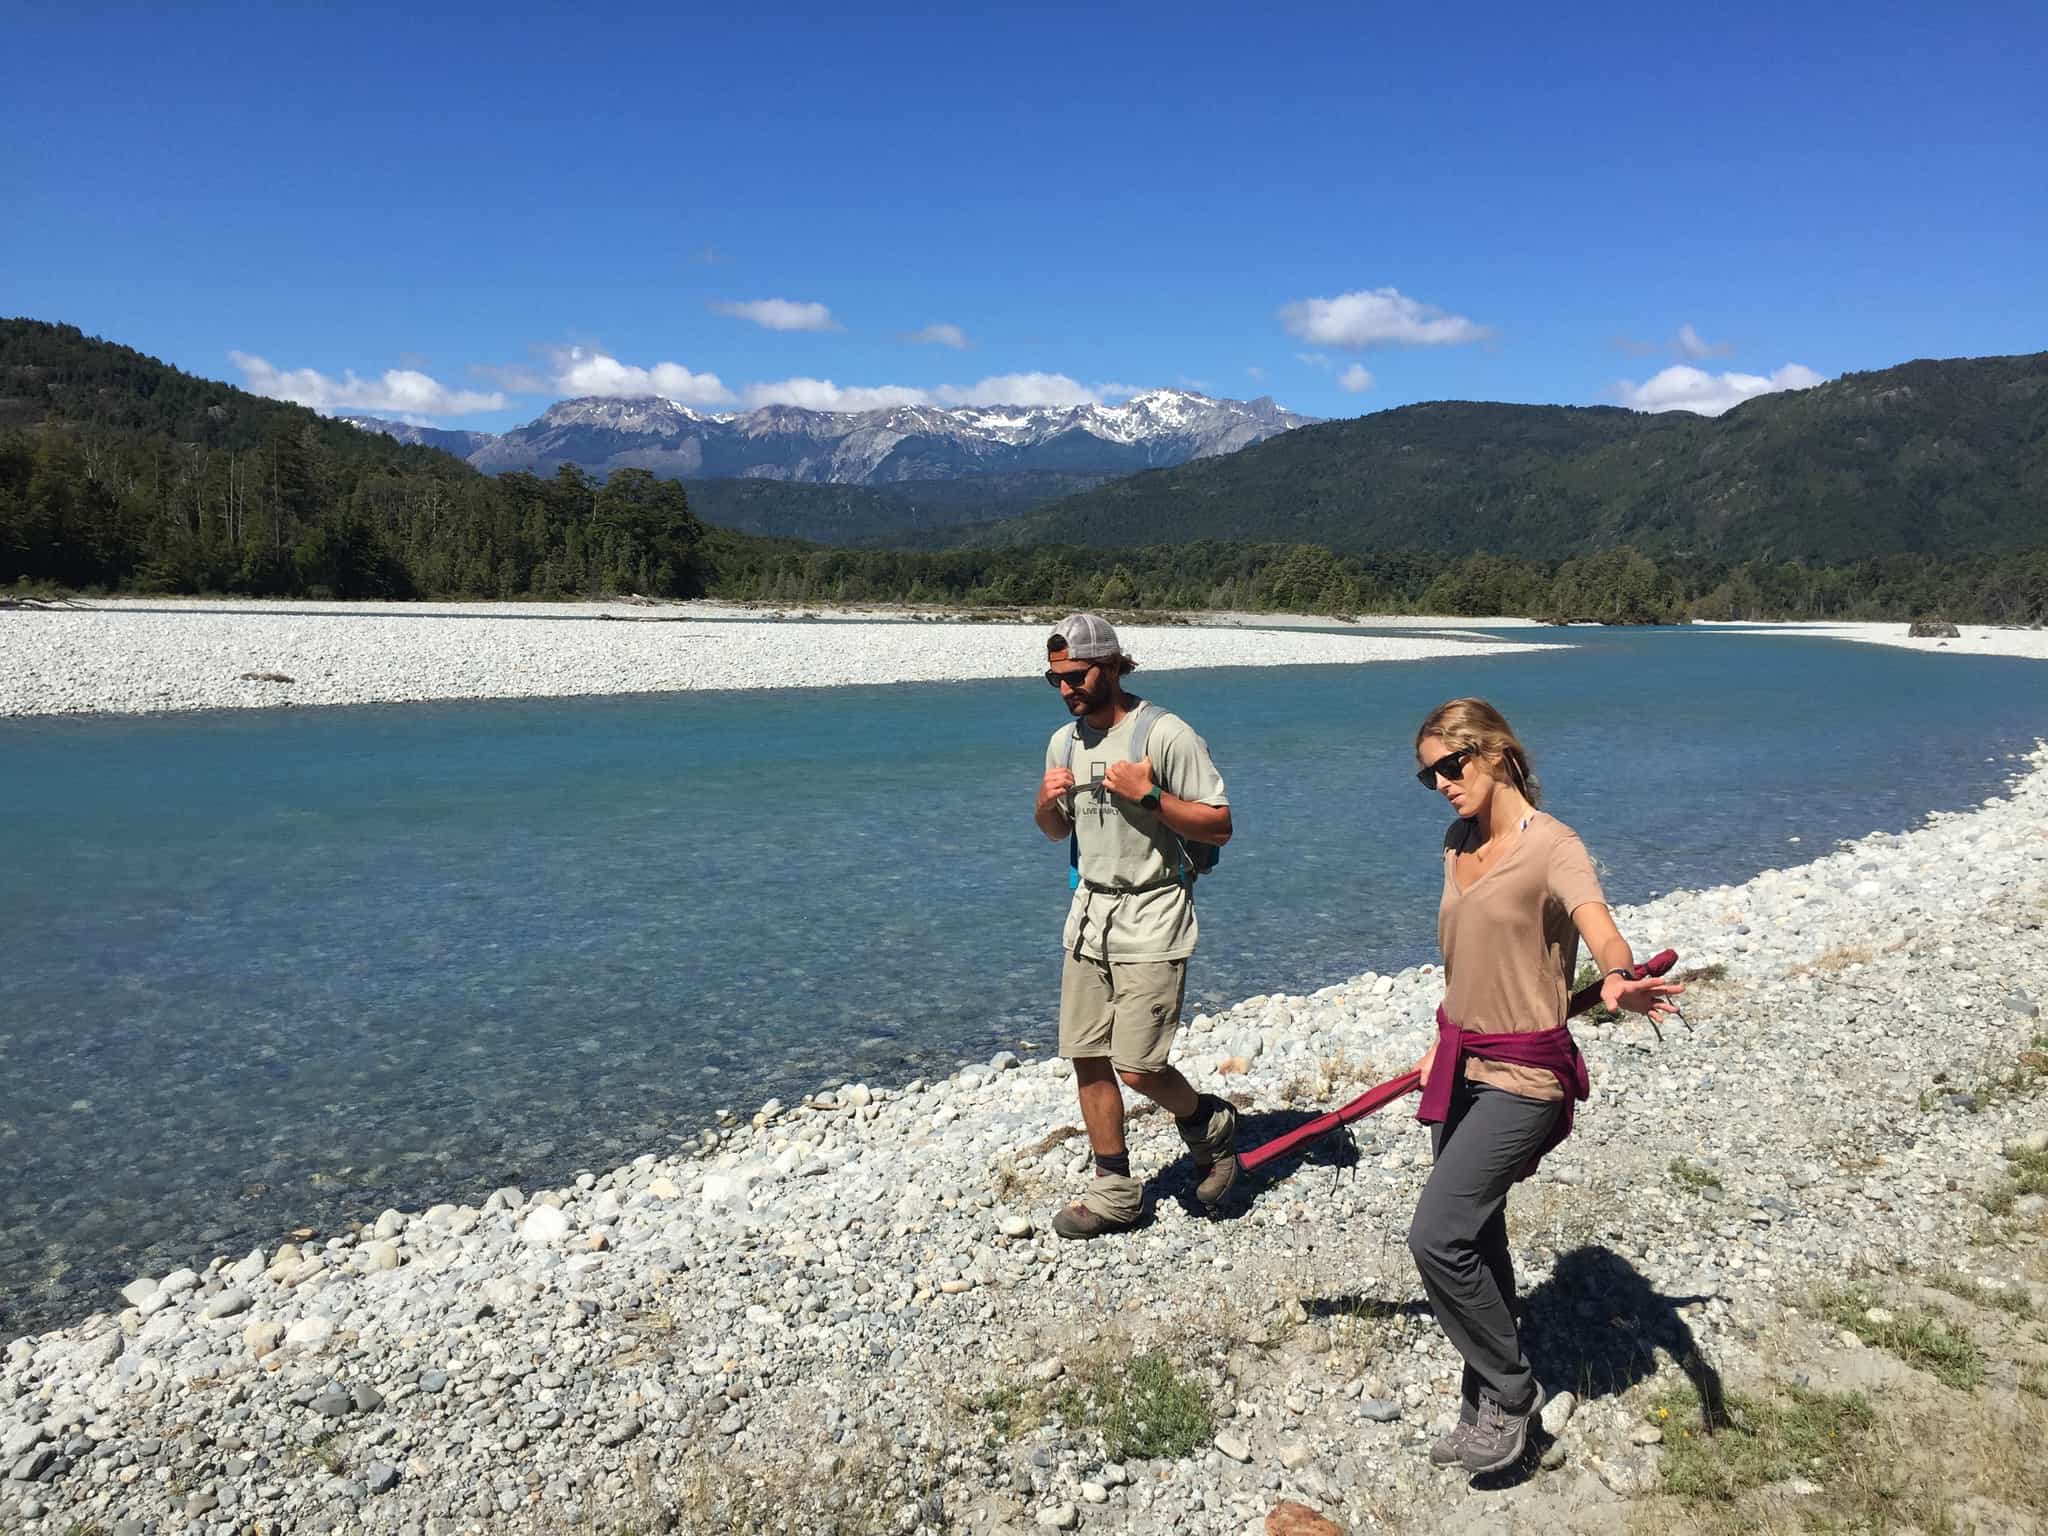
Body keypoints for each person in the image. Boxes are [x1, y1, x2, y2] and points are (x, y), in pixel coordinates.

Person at [1406, 698, 1682, 1475]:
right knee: (1476, 1234)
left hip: (1525, 1076)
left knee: (1436, 1236)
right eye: (1428, 775)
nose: (1441, 784)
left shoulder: (1553, 846)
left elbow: (1599, 923)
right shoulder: (1457, 842)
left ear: (1496, 753)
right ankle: (1485, 1403)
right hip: (1462, 1063)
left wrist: (1618, 976)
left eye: (1451, 765)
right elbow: (1468, 964)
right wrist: (1440, 1042)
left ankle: (1512, 1390)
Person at [1031, 613, 1237, 1239]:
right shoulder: (1063, 742)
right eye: (1055, 678)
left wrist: (1149, 797)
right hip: (1088, 916)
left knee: (1139, 1066)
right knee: (1087, 1057)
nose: (1066, 688)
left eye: (1076, 675)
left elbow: (1219, 825)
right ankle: (1115, 1191)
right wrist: (1043, 805)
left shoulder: (1164, 734)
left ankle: (1209, 1122)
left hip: (1154, 913)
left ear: (1113, 666)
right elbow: (1057, 831)